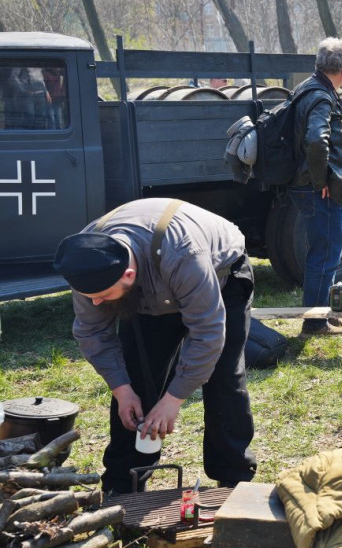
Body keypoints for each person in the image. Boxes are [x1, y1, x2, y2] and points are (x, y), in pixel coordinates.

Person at [52, 198, 258, 493]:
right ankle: (124, 481)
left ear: (128, 275)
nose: (95, 303)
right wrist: (121, 389)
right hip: (153, 287)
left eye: (102, 296)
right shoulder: (89, 263)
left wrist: (173, 400)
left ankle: (234, 476)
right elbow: (92, 332)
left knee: (223, 377)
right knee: (136, 377)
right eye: (90, 297)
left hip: (221, 276)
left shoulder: (184, 254)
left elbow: (207, 334)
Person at [289, 37, 342, 336]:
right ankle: (314, 322)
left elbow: (338, 133)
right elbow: (315, 140)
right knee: (325, 254)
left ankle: (324, 312)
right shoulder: (321, 97)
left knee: (326, 252)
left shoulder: (312, 89)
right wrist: (320, 179)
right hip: (317, 189)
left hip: (308, 186)